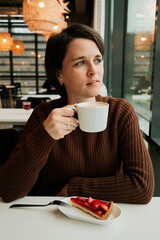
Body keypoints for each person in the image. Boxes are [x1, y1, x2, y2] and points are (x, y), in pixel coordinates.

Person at [0, 23, 154, 203]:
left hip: (104, 218)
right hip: (51, 217)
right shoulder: (43, 115)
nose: (93, 70)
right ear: (59, 74)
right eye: (80, 62)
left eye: (97, 60)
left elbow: (142, 187)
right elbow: (8, 191)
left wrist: (74, 189)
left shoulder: (121, 112)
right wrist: (45, 135)